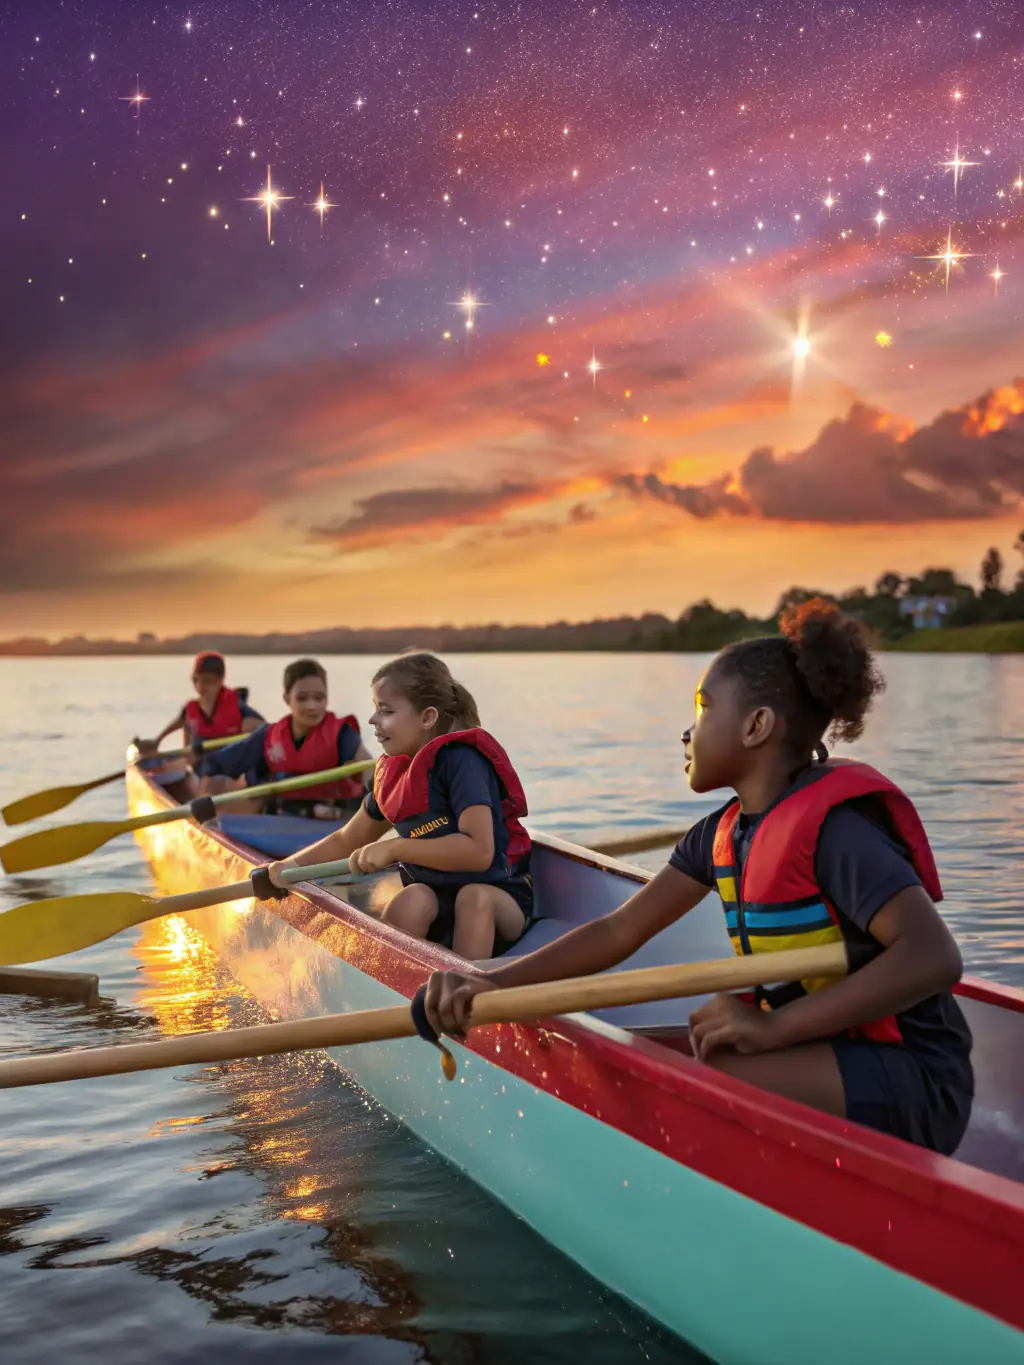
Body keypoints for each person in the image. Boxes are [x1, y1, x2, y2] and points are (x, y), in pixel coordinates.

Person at [423, 599, 974, 1155]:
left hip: (916, 1079)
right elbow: (617, 933)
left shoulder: (837, 833)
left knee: (698, 1075)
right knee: (672, 1051)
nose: (687, 731)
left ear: (757, 726)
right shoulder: (719, 835)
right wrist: (492, 983)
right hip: (834, 1050)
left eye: (704, 709)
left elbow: (934, 956)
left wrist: (774, 1029)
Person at [267, 652, 533, 960]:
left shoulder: (462, 762)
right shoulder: (395, 774)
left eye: (386, 710)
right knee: (412, 899)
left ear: (427, 718)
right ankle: (391, 982)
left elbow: (479, 851)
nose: (373, 720)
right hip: (438, 898)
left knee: (474, 899)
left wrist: (396, 849)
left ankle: (462, 991)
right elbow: (347, 839)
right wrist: (288, 869)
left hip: (499, 901)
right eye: (375, 709)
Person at [200, 658, 372, 816]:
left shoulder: (342, 734)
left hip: (334, 819)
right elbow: (215, 764)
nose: (312, 706)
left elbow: (371, 770)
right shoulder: (267, 736)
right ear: (286, 698)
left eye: (319, 698)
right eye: (302, 699)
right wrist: (207, 793)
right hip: (278, 821)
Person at [136, 651, 263, 777]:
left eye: (208, 681)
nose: (201, 685)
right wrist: (157, 741)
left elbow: (264, 730)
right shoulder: (190, 710)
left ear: (220, 681)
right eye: (197, 680)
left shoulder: (239, 708)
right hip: (199, 763)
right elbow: (178, 723)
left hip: (228, 768)